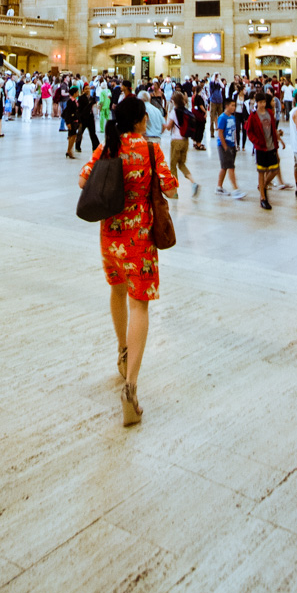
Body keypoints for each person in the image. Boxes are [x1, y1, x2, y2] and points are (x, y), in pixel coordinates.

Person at [78, 95, 178, 425]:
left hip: (110, 237)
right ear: (140, 121)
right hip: (140, 240)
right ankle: (131, 386)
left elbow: (83, 179)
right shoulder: (149, 150)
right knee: (140, 305)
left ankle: (122, 353)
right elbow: (170, 186)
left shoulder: (107, 147)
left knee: (117, 292)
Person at [245, 95, 281, 211]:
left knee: (275, 169)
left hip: (271, 146)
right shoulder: (253, 116)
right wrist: (256, 142)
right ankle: (262, 197)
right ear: (257, 103)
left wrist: (277, 139)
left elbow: (273, 128)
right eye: (260, 102)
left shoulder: (269, 113)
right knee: (261, 171)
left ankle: (263, 185)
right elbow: (249, 131)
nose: (263, 104)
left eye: (264, 102)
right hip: (261, 148)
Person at [163, 91, 200, 197]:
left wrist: (163, 125)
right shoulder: (186, 111)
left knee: (173, 165)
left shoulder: (174, 112)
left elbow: (169, 126)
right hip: (185, 141)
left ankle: (174, 192)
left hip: (176, 141)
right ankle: (193, 182)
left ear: (174, 101)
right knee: (181, 164)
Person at [214, 97, 244, 197]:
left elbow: (234, 132)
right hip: (224, 146)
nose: (234, 107)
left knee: (225, 167)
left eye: (235, 105)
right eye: (232, 105)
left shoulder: (232, 117)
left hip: (231, 145)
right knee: (231, 167)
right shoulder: (222, 118)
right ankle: (236, 189)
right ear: (226, 106)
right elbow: (220, 133)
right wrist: (225, 146)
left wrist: (234, 145)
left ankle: (219, 187)